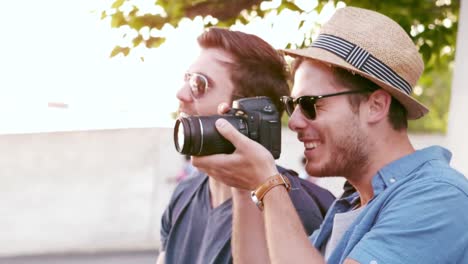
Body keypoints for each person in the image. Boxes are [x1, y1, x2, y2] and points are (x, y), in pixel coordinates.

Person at [192, 7, 468, 264]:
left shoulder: (439, 199)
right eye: (293, 105)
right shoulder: (350, 205)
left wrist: (269, 183)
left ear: (376, 106)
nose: (295, 122)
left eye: (311, 104)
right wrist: (243, 187)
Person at [157, 27, 335, 264]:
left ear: (246, 112)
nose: (181, 94)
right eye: (186, 80)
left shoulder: (292, 207)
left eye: (199, 84)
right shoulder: (184, 195)